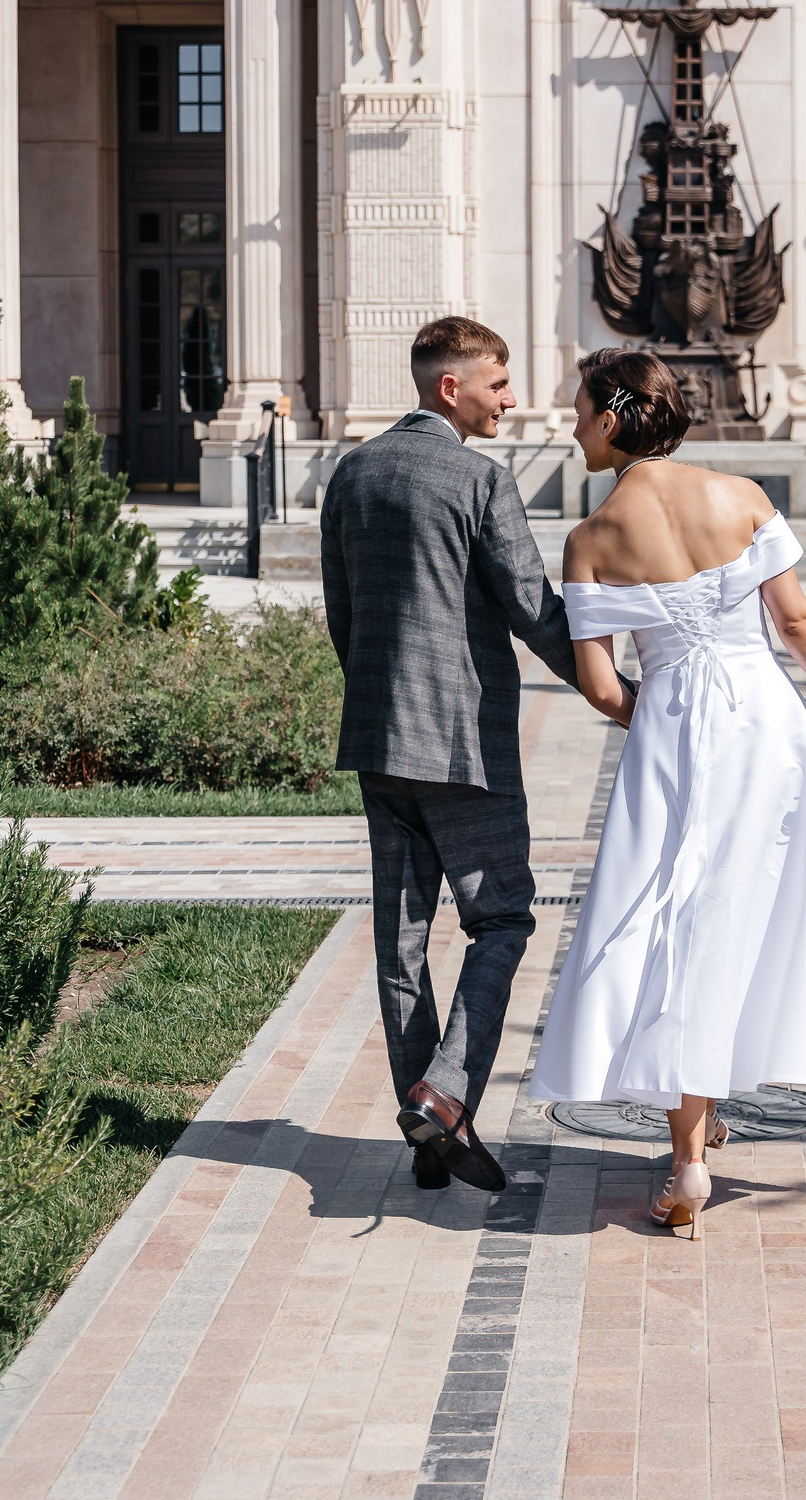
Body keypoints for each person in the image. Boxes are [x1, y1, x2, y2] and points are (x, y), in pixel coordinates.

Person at [528, 349, 806, 1238]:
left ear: (613, 420)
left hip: (671, 735)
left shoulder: (590, 538)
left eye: (580, 411)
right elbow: (798, 620)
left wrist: (665, 715)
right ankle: (700, 1129)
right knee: (748, 919)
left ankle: (688, 1160)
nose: (573, 426)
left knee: (676, 926)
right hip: (770, 729)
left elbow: (600, 687)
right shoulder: (741, 496)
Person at [319, 316, 596, 1194]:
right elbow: (532, 609)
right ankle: (443, 1094)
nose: (510, 400)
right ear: (452, 386)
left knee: (400, 945)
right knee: (502, 919)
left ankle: (429, 1143)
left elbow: (341, 614)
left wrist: (382, 705)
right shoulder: (480, 479)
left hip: (378, 739)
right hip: (464, 748)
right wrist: (615, 691)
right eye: (498, 383)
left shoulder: (351, 472)